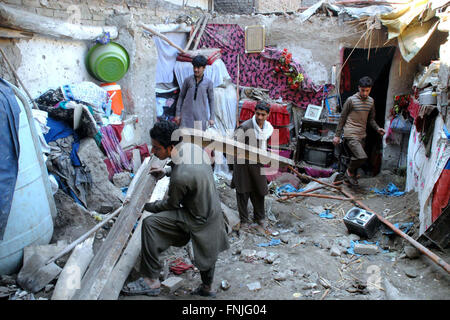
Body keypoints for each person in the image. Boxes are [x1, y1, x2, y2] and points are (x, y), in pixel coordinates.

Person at [122, 120, 229, 297]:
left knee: (150, 223)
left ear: (170, 147)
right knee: (207, 249)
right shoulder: (191, 148)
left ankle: (151, 281)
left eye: (157, 148)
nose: (153, 152)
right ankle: (207, 288)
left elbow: (170, 205)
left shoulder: (180, 177)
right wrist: (166, 172)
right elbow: (187, 170)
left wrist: (144, 206)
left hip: (196, 217)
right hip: (212, 209)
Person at [332, 76, 385, 185]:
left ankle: (349, 180)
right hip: (350, 134)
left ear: (370, 89)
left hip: (362, 135)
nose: (365, 93)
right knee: (362, 157)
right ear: (358, 88)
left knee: (356, 158)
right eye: (362, 90)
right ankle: (349, 172)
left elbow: (371, 120)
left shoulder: (371, 102)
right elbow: (342, 118)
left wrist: (377, 128)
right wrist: (337, 135)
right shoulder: (351, 100)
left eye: (367, 91)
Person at [231, 101, 274, 234]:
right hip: (243, 165)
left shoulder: (268, 128)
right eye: (257, 114)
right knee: (243, 192)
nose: (259, 117)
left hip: (258, 164)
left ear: (268, 115)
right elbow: (233, 145)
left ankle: (259, 218)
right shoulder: (245, 127)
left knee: (259, 191)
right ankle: (244, 221)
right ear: (254, 113)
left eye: (263, 114)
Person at [174, 55, 215, 131]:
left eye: (198, 68)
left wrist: (212, 117)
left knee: (198, 140)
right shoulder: (188, 80)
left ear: (204, 68)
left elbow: (211, 100)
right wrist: (178, 114)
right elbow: (181, 97)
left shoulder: (208, 83)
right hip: (186, 117)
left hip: (200, 117)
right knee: (184, 139)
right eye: (194, 67)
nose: (196, 70)